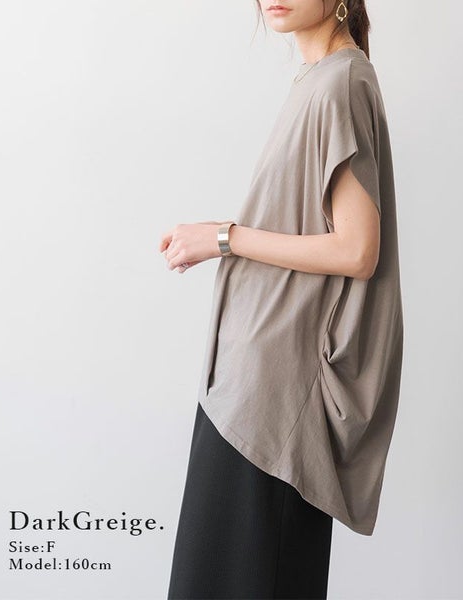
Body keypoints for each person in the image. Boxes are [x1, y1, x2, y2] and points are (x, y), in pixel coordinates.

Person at [160, 1, 404, 598]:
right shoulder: (319, 79)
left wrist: (225, 238)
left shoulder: (342, 82)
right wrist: (224, 235)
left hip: (275, 395)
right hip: (250, 385)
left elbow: (357, 250)